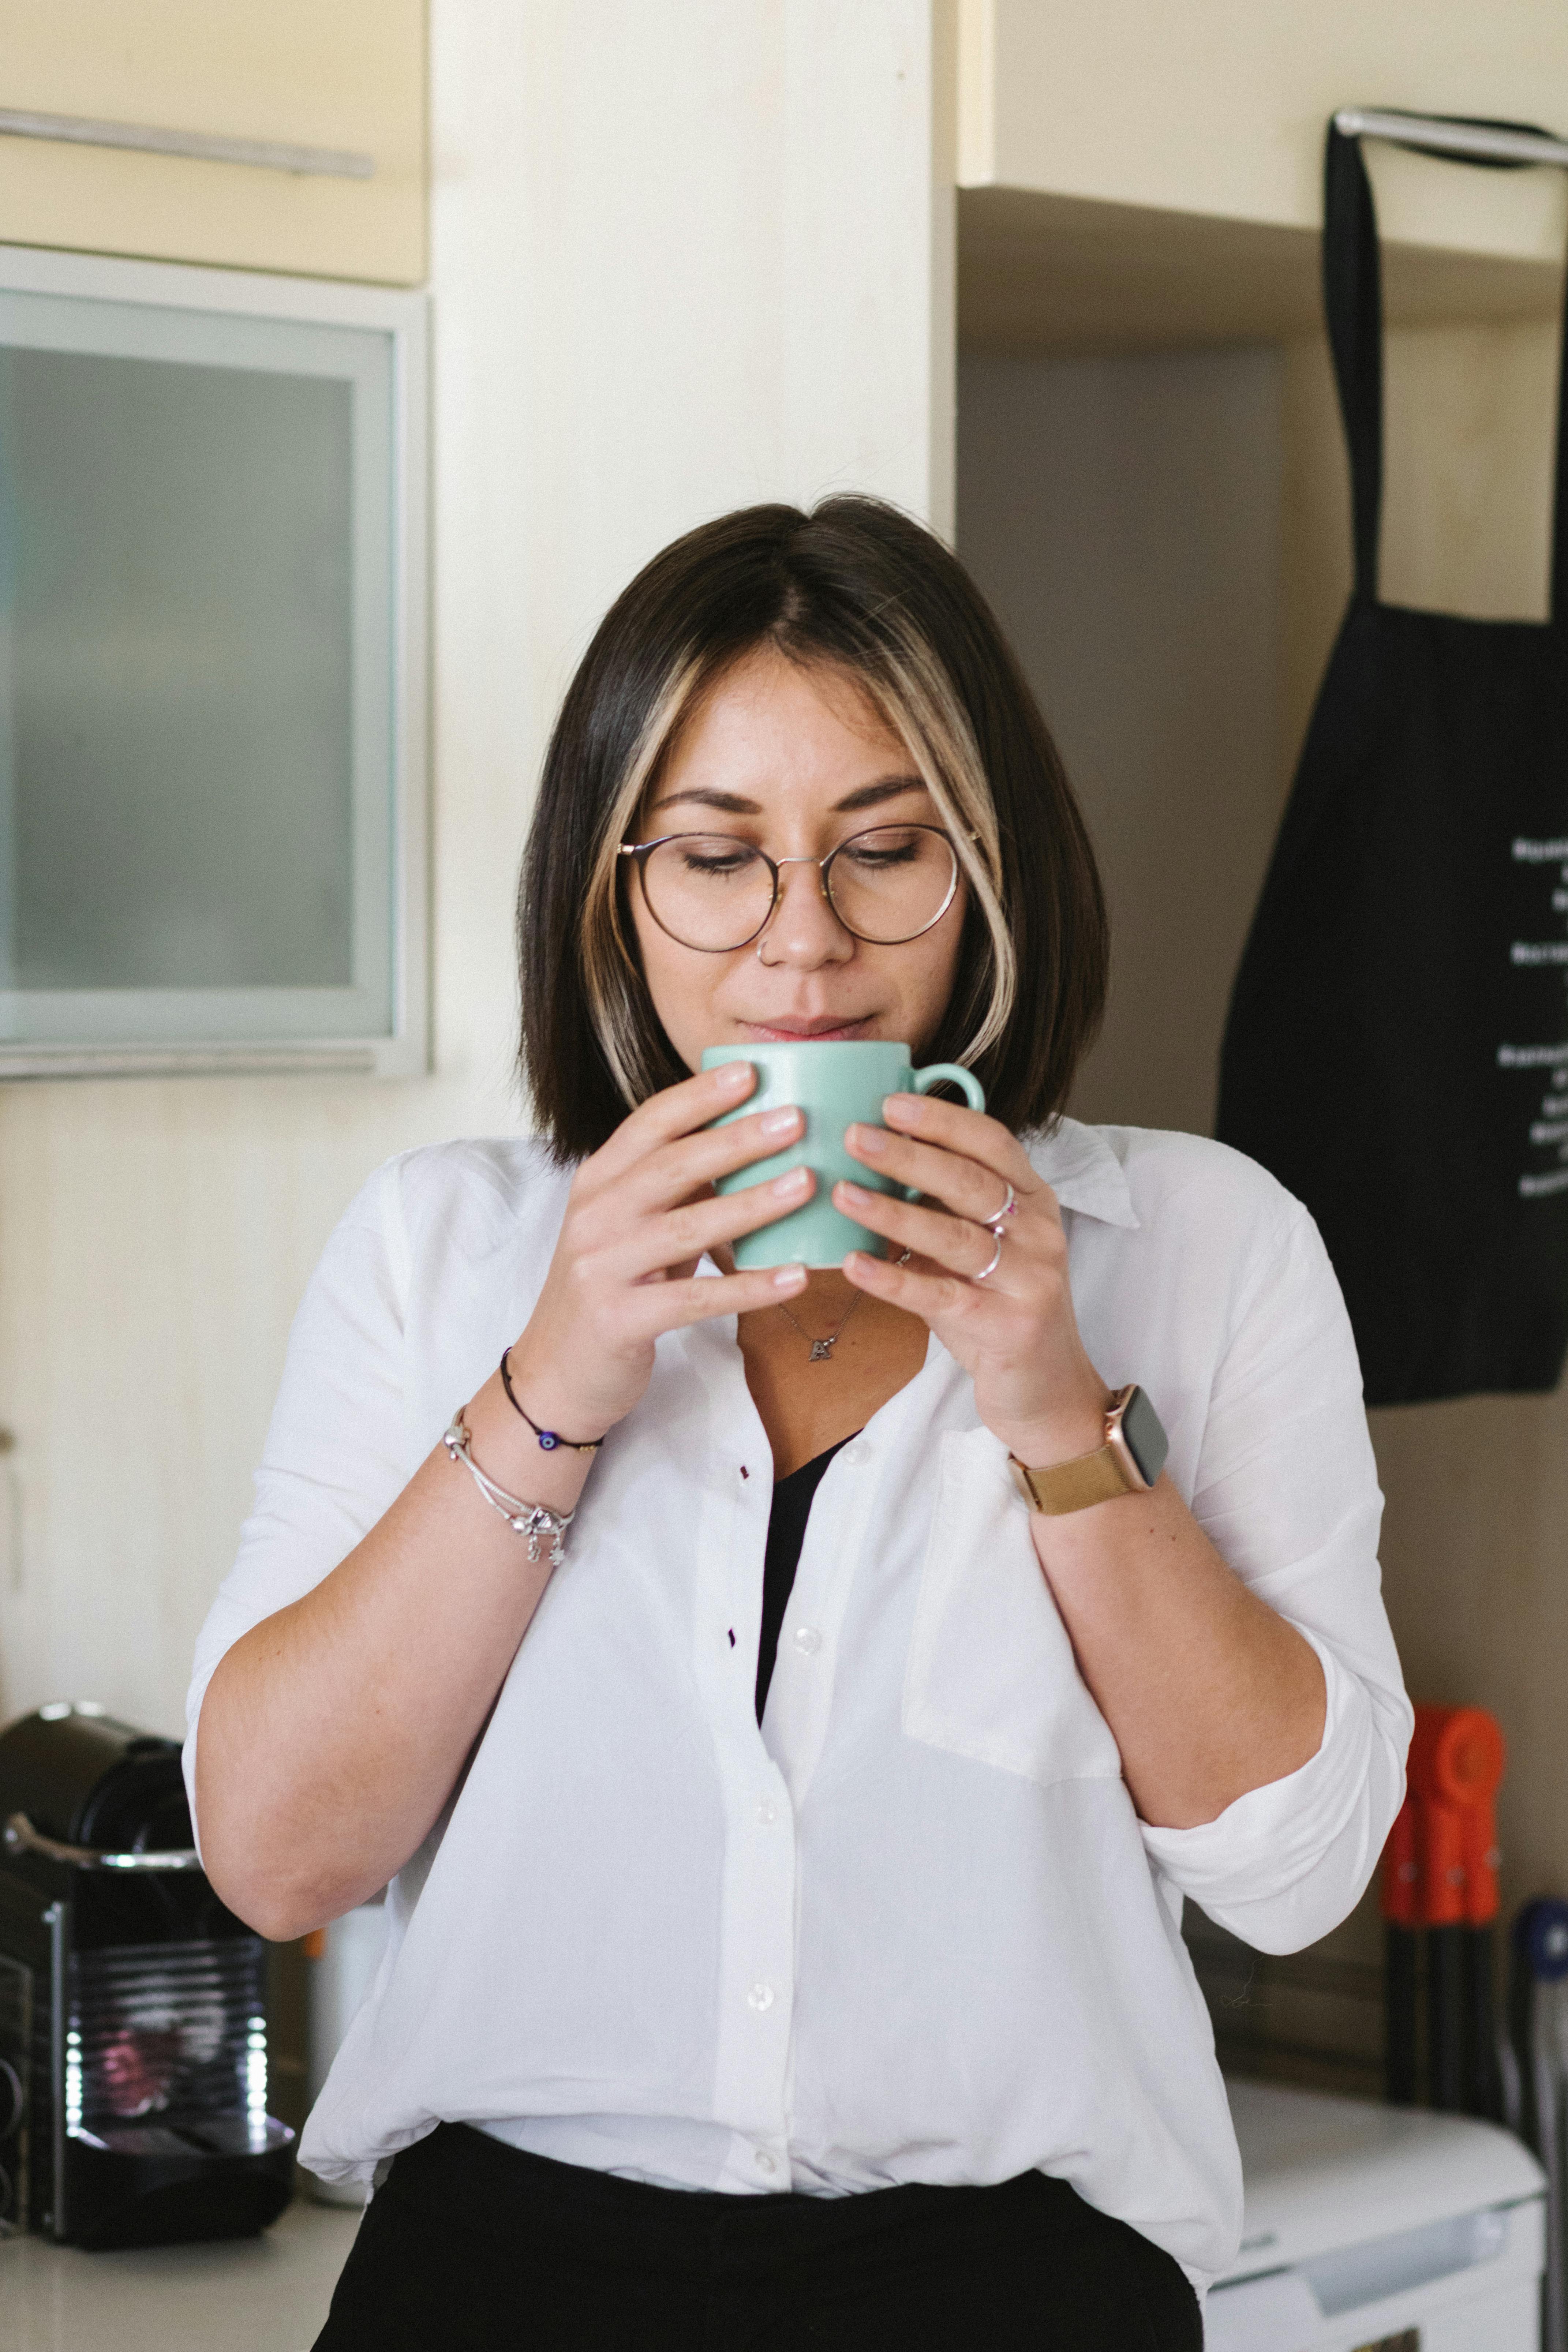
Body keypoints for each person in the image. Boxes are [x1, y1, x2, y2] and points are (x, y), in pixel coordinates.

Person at [186, 497, 1410, 2350]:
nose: (803, 947)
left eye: (883, 848)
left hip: (1015, 2296)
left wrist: (1055, 1407)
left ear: (991, 868)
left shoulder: (1207, 1250)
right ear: (612, 888)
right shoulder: (447, 1253)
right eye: (716, 856)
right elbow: (273, 1854)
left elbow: (1301, 1870)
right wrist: (555, 1379)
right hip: (497, 2284)